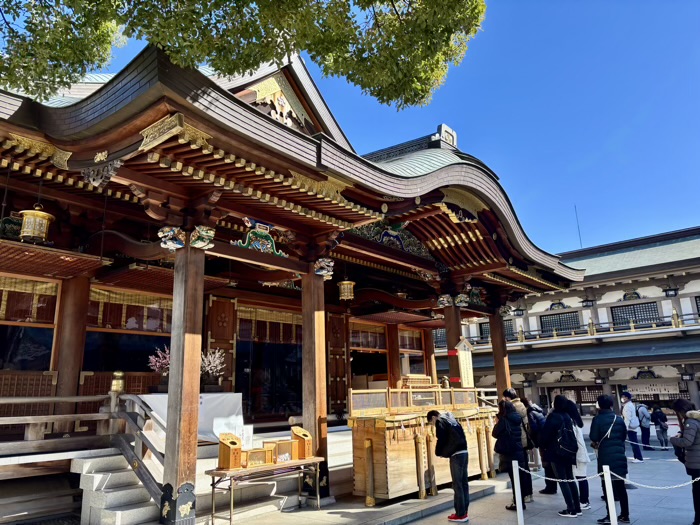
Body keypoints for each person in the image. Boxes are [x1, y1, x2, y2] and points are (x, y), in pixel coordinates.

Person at [539, 394, 581, 518]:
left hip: (557, 451)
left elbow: (545, 435)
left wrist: (542, 444)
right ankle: (577, 507)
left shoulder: (553, 416)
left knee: (562, 480)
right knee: (570, 478)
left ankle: (571, 508)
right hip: (569, 451)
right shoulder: (567, 416)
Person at [590, 394, 630, 524]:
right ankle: (625, 515)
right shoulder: (618, 419)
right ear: (611, 405)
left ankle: (610, 514)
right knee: (621, 487)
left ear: (599, 405)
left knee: (607, 487)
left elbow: (594, 436)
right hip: (619, 454)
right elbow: (624, 435)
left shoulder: (597, 419)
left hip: (605, 455)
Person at [428, 410, 470, 523]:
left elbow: (441, 438)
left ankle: (460, 514)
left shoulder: (440, 421)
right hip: (464, 452)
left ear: (433, 418)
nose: (433, 425)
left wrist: (438, 452)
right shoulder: (452, 420)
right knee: (463, 483)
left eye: (431, 423)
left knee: (457, 485)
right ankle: (464, 511)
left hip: (456, 455)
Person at [493, 400, 533, 511]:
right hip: (518, 450)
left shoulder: (504, 420)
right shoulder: (517, 417)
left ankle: (518, 503)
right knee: (519, 479)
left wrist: (497, 422)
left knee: (515, 480)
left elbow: (495, 433)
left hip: (509, 453)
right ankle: (521, 501)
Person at [669, 399, 700, 525]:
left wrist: (672, 440)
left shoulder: (690, 422)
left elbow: (687, 442)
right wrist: (682, 433)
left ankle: (698, 520)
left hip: (697, 462)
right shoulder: (697, 418)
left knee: (697, 494)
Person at [502, 388, 534, 502]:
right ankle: (528, 494)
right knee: (525, 468)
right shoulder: (521, 405)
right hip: (524, 440)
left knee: (519, 471)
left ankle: (522, 496)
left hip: (516, 442)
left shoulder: (512, 408)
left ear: (507, 397)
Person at [524, 397, 557, 495]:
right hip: (546, 439)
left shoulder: (530, 413)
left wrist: (531, 439)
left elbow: (533, 428)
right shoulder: (538, 410)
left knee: (546, 464)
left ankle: (550, 487)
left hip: (542, 440)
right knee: (548, 464)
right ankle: (552, 486)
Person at [566, 400, 591, 510]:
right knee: (581, 477)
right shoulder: (577, 420)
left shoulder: (571, 422)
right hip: (579, 453)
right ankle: (583, 500)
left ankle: (584, 501)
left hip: (577, 454)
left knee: (580, 477)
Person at [620, 391, 643, 462]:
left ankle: (638, 457)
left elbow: (627, 418)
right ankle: (636, 457)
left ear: (627, 398)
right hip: (632, 426)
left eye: (623, 397)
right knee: (633, 442)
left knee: (634, 442)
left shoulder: (627, 406)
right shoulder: (630, 405)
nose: (622, 398)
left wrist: (625, 429)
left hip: (630, 427)